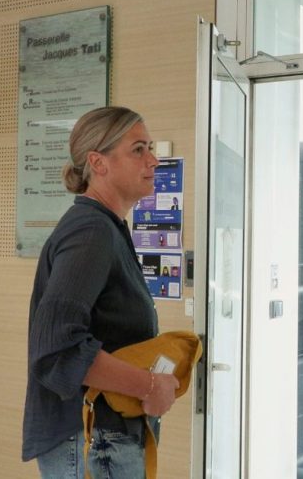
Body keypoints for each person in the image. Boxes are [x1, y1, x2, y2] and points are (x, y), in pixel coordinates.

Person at [22, 107, 180, 478]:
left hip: (105, 438)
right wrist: (149, 384)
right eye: (138, 149)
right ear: (98, 162)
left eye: (151, 148)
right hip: (94, 441)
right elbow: (58, 346)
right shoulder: (90, 232)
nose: (153, 161)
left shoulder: (106, 229)